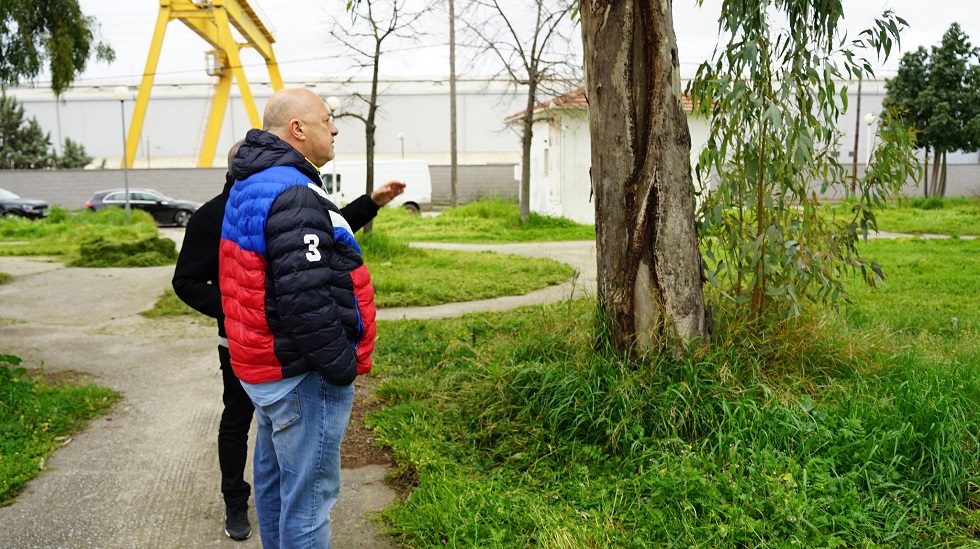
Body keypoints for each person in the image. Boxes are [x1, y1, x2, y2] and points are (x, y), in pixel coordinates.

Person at [217, 88, 404, 548]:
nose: (335, 127)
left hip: (263, 369)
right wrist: (341, 368)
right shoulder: (291, 191)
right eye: (327, 119)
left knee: (277, 486)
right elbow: (305, 298)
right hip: (299, 377)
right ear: (297, 129)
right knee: (309, 504)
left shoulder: (254, 182)